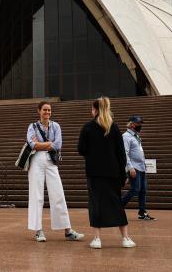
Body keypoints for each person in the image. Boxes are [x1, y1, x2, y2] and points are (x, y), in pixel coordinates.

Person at [77, 97, 135, 249]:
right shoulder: (114, 127)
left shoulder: (87, 127)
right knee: (117, 204)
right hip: (113, 173)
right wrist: (124, 176)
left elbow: (81, 149)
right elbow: (121, 154)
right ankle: (126, 238)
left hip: (94, 173)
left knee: (96, 204)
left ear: (95, 110)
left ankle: (97, 239)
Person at [26, 101, 83, 242]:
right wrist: (49, 144)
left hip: (51, 161)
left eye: (49, 110)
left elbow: (58, 145)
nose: (47, 112)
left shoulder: (56, 126)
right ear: (39, 111)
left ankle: (67, 230)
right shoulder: (32, 126)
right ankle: (38, 230)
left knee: (58, 194)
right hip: (36, 161)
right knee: (36, 195)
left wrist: (41, 145)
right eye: (45, 110)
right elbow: (32, 144)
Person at [121, 115, 156, 220]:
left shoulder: (136, 136)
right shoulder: (126, 136)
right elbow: (125, 153)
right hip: (134, 167)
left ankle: (142, 212)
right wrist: (130, 168)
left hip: (141, 167)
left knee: (143, 190)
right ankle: (118, 206)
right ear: (131, 124)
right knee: (135, 189)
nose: (140, 125)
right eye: (138, 123)